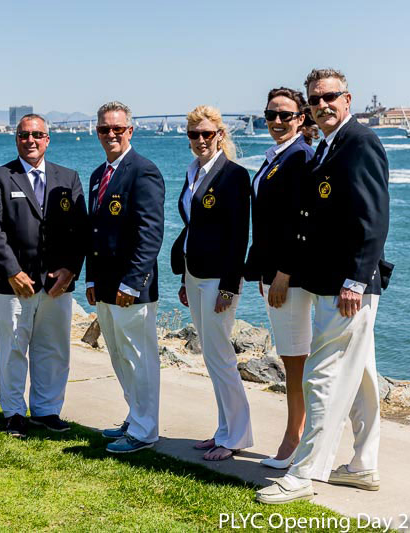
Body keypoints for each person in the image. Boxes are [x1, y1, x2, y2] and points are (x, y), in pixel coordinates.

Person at [257, 68, 391, 504]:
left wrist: (354, 279)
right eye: (316, 99)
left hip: (347, 286)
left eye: (330, 96)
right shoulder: (332, 146)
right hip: (335, 282)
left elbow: (373, 219)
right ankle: (363, 465)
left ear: (347, 99)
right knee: (363, 378)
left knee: (322, 374)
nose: (323, 104)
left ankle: (304, 472)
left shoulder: (360, 142)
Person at [0, 114, 87, 438]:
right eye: (25, 135)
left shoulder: (67, 178)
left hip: (57, 284)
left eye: (38, 135)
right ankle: (13, 413)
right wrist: (12, 271)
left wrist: (70, 270)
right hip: (13, 285)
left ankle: (46, 410)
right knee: (13, 349)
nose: (31, 140)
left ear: (48, 140)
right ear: (16, 139)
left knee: (53, 349)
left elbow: (79, 230)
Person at [170, 105, 252, 461]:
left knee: (220, 358)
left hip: (220, 278)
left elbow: (238, 237)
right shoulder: (193, 173)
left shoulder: (233, 176)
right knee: (211, 357)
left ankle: (236, 436)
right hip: (195, 274)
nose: (201, 140)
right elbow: (194, 226)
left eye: (207, 134)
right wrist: (186, 279)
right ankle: (223, 430)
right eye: (194, 135)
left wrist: (230, 286)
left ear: (220, 135)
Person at [86, 101, 165, 454]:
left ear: (130, 131)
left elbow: (150, 234)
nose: (111, 134)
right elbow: (95, 232)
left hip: (131, 288)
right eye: (105, 129)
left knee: (140, 359)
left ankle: (146, 431)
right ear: (97, 131)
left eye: (118, 128)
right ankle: (135, 417)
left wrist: (132, 282)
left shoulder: (143, 172)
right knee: (119, 356)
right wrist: (90, 279)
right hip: (104, 285)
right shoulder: (98, 175)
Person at [244, 89, 315, 469]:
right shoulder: (278, 156)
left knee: (295, 361)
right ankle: (299, 438)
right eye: (271, 113)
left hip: (293, 278)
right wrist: (259, 271)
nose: (276, 121)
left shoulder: (300, 156)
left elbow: (301, 220)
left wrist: (284, 273)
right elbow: (267, 224)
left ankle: (294, 442)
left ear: (302, 119)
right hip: (275, 274)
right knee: (294, 359)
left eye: (286, 115)